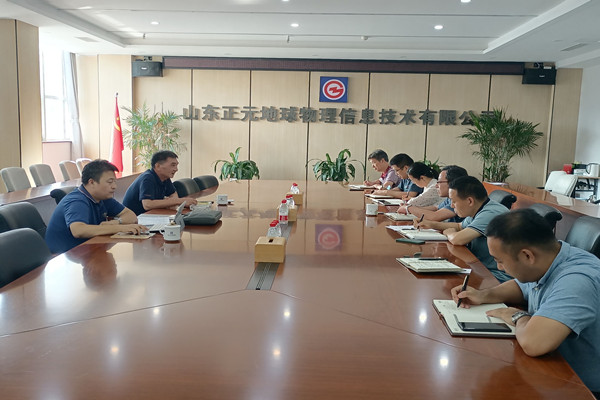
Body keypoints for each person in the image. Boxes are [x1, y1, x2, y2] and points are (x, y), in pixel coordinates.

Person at [452, 209, 600, 397]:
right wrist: (484, 295)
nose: (499, 267)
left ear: (527, 256)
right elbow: (522, 287)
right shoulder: (549, 258)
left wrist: (518, 316)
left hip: (581, 388)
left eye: (500, 261)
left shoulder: (577, 280)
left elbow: (534, 342)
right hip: (552, 370)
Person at [417, 175, 511, 282]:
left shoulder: (491, 213)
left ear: (470, 201)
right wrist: (431, 224)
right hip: (480, 268)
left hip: (496, 275)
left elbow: (458, 239)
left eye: (454, 201)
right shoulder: (480, 208)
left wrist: (450, 233)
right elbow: (459, 226)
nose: (452, 206)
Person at [45, 160, 146, 254]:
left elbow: (131, 215)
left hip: (87, 249)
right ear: (91, 182)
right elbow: (78, 230)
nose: (114, 186)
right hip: (64, 257)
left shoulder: (102, 197)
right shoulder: (77, 201)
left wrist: (115, 222)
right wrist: (120, 228)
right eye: (110, 182)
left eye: (115, 182)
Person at [123, 150, 198, 215]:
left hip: (151, 215)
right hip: (134, 219)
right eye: (173, 165)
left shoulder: (165, 177)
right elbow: (147, 204)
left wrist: (173, 202)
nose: (176, 169)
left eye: (176, 165)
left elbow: (173, 194)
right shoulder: (147, 178)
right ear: (158, 166)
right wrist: (180, 201)